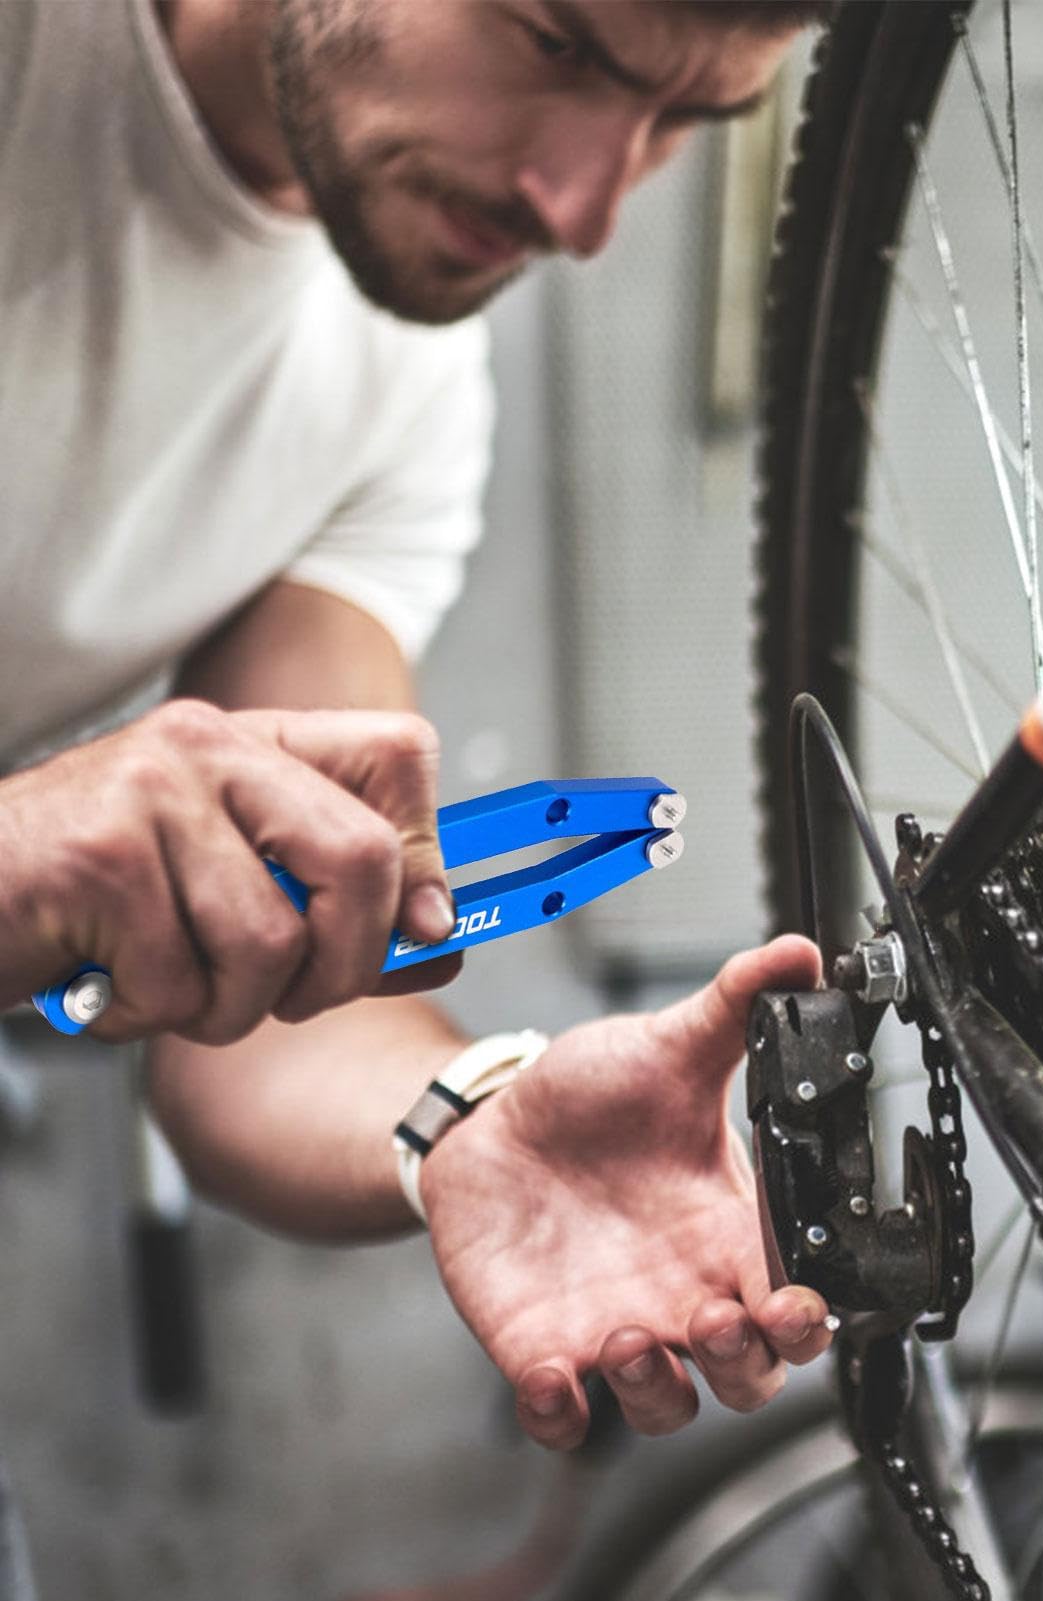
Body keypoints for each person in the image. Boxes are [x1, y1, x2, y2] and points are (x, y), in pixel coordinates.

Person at [0, 0, 836, 1576]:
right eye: (558, 43)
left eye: (685, 122)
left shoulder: (399, 387)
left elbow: (288, 999)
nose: (582, 209)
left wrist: (474, 1116)